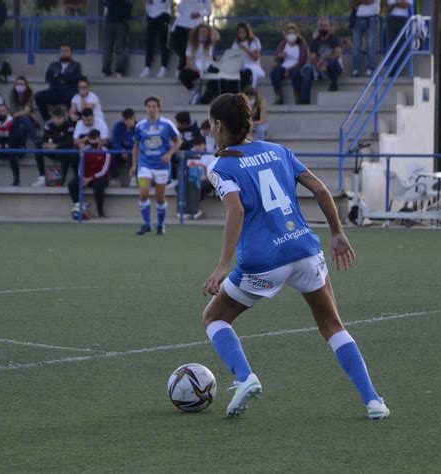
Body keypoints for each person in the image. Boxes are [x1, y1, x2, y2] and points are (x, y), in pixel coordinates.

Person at [201, 93, 390, 420]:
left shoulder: (220, 165)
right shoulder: (278, 150)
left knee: (214, 318)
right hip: (304, 250)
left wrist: (222, 266)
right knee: (332, 326)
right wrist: (337, 233)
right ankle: (373, 401)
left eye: (211, 124)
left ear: (218, 125)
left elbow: (236, 209)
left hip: (263, 263)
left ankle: (245, 378)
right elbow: (319, 188)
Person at [129, 96, 182, 235]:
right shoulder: (140, 126)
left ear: (159, 108)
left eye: (154, 106)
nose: (151, 109)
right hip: (144, 164)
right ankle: (147, 224)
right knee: (143, 192)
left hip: (161, 165)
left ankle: (160, 224)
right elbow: (136, 146)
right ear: (146, 108)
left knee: (160, 196)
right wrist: (134, 165)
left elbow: (178, 141)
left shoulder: (166, 124)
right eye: (149, 106)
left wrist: (169, 154)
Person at [68, 129, 110, 218]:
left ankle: (99, 210)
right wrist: (82, 177)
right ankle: (79, 207)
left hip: (99, 178)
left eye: (94, 139)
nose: (92, 141)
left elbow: (104, 170)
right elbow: (80, 166)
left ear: (99, 139)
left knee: (98, 185)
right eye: (90, 139)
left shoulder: (106, 152)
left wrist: (91, 178)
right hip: (85, 177)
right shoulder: (85, 150)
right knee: (72, 185)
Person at [35, 44, 83, 122]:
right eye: (61, 51)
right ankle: (47, 119)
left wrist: (58, 76)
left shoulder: (76, 65)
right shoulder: (53, 65)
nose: (63, 53)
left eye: (66, 51)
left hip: (69, 92)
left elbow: (76, 78)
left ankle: (71, 122)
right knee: (38, 96)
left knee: (73, 98)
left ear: (71, 53)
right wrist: (65, 78)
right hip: (54, 91)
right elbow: (48, 78)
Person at [32, 106, 75, 187]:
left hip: (62, 152)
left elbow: (69, 142)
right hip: (52, 151)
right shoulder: (49, 125)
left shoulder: (69, 126)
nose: (56, 120)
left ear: (63, 117)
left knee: (68, 150)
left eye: (59, 118)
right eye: (54, 118)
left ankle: (62, 179)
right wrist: (45, 144)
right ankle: (42, 177)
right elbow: (44, 138)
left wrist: (56, 146)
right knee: (38, 145)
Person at [179, 23, 220, 105]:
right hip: (196, 68)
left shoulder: (210, 42)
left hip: (208, 67)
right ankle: (193, 91)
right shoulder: (191, 44)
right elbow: (188, 61)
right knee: (182, 75)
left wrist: (209, 26)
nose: (203, 33)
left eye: (205, 31)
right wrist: (196, 69)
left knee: (216, 74)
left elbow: (217, 37)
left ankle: (206, 97)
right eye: (201, 31)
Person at [170, 0, 212, 77]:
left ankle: (181, 67)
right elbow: (180, 7)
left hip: (194, 25)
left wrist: (199, 14)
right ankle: (183, 60)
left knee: (190, 46)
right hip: (181, 22)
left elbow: (209, 11)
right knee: (173, 42)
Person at [270, 24, 309, 105]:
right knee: (274, 72)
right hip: (284, 67)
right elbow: (276, 59)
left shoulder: (302, 45)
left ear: (297, 34)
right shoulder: (283, 44)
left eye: (293, 33)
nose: (291, 35)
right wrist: (280, 56)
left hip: (296, 67)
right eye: (289, 33)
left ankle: (297, 96)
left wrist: (289, 69)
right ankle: (279, 96)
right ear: (286, 35)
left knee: (296, 73)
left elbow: (302, 61)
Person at [304, 17, 343, 96]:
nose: (323, 28)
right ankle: (304, 101)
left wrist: (323, 59)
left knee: (332, 61)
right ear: (317, 27)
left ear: (329, 27)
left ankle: (333, 86)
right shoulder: (315, 42)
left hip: (334, 67)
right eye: (320, 26)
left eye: (325, 26)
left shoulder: (335, 39)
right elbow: (313, 57)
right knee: (307, 72)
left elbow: (338, 54)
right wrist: (319, 65)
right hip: (320, 67)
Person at [140, 0, 171, 79]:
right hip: (151, 16)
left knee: (163, 42)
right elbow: (147, 5)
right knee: (149, 42)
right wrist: (152, 11)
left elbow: (166, 4)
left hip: (163, 15)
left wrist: (157, 9)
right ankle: (147, 67)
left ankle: (163, 67)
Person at [102, 0, 133, 77]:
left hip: (122, 21)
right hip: (110, 20)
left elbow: (130, 3)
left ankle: (119, 70)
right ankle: (106, 70)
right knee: (108, 47)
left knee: (121, 47)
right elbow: (105, 2)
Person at [8, 76, 39, 149]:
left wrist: (26, 112)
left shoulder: (30, 93)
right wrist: (28, 113)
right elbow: (13, 111)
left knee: (23, 125)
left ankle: (22, 146)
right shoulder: (12, 94)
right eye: (17, 84)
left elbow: (27, 109)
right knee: (23, 118)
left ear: (26, 85)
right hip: (16, 119)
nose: (19, 86)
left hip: (27, 119)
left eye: (22, 84)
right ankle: (36, 140)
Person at [231, 22, 265, 89]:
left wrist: (246, 49)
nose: (242, 34)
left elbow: (255, 58)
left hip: (253, 66)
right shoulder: (236, 43)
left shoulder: (254, 41)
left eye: (244, 32)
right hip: (240, 66)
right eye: (240, 32)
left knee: (247, 74)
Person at [351, 0, 381, 77]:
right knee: (356, 46)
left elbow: (369, 1)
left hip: (372, 19)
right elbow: (351, 3)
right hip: (358, 18)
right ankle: (355, 69)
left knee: (370, 45)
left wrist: (359, 2)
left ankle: (370, 69)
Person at [385, 0, 413, 76]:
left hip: (403, 19)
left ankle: (398, 70)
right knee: (392, 45)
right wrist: (398, 4)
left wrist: (394, 5)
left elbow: (406, 4)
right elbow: (387, 7)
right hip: (392, 19)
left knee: (402, 45)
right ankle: (393, 69)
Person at [111, 107, 137, 187]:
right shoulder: (118, 126)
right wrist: (121, 150)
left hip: (133, 151)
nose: (128, 121)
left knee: (132, 154)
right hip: (121, 151)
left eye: (130, 119)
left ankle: (133, 177)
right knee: (111, 154)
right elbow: (115, 141)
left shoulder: (138, 127)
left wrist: (129, 130)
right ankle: (115, 179)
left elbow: (137, 143)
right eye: (126, 119)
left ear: (134, 118)